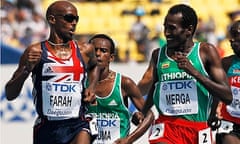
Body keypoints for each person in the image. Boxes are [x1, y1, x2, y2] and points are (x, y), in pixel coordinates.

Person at [5, 1, 99, 144]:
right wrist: (26, 70)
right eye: (69, 18)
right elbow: (10, 94)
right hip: (47, 127)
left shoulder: (85, 50)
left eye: (76, 19)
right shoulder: (35, 52)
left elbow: (94, 66)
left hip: (78, 123)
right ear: (52, 19)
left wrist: (91, 88)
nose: (74, 23)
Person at [140, 4, 233, 144]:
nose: (166, 33)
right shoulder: (158, 55)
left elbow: (227, 96)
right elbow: (155, 87)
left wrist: (194, 72)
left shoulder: (206, 52)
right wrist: (143, 111)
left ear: (188, 30)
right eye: (165, 27)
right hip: (166, 127)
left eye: (172, 28)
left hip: (197, 129)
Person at [86, 34, 154, 144]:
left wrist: (129, 139)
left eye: (103, 51)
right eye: (94, 50)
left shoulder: (124, 83)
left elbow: (149, 115)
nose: (98, 54)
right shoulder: (81, 82)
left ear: (111, 57)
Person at [215, 20, 240, 144]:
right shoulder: (225, 63)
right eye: (232, 37)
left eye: (237, 36)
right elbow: (213, 88)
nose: (233, 42)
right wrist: (215, 108)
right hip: (230, 123)